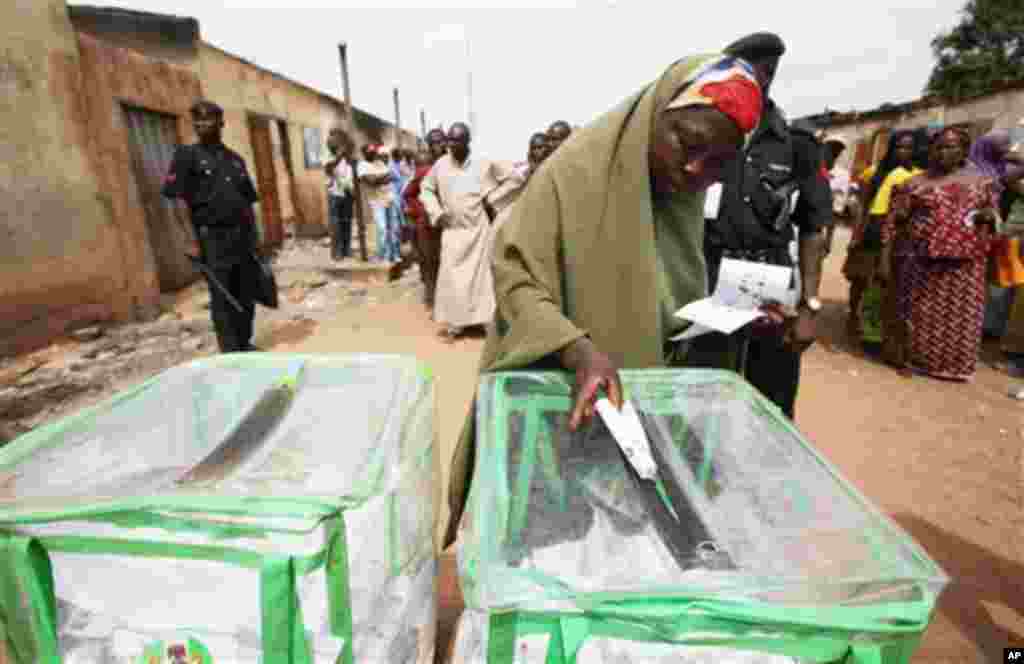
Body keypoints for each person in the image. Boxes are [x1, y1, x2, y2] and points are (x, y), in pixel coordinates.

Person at [443, 54, 764, 546]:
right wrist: (577, 348)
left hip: (637, 409)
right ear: (654, 114)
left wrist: (732, 323)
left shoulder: (679, 198)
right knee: (547, 543)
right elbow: (516, 275)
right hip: (557, 402)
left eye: (718, 164)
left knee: (631, 552)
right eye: (687, 143)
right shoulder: (573, 173)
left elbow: (668, 303)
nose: (696, 169)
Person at [684, 32, 831, 420]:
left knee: (771, 399)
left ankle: (761, 479)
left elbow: (814, 227)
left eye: (757, 72)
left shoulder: (798, 144)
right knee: (698, 392)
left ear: (768, 75)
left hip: (771, 285)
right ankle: (700, 475)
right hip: (708, 277)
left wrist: (810, 306)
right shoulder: (703, 133)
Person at [886, 126, 1000, 380]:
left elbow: (994, 217)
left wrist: (989, 217)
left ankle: (956, 367)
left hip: (966, 263)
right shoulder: (914, 183)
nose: (942, 153)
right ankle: (913, 360)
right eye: (938, 147)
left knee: (960, 316)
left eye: (950, 147)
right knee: (918, 311)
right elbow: (895, 220)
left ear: (963, 152)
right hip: (921, 259)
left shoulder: (982, 183)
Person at [162, 100, 261, 353]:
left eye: (207, 119)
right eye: (197, 120)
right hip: (212, 237)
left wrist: (255, 236)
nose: (201, 124)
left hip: (241, 236)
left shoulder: (235, 160)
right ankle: (230, 352)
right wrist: (190, 240)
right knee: (223, 297)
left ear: (221, 123)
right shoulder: (187, 156)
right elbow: (177, 200)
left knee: (245, 292)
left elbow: (248, 201)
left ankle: (244, 343)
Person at [419, 122, 522, 342]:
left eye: (457, 140)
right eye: (449, 140)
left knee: (481, 281)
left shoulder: (483, 162)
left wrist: (493, 199)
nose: (451, 145)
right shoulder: (440, 165)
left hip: (478, 232)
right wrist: (436, 212)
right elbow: (426, 190)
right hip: (453, 231)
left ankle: (486, 323)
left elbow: (514, 179)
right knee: (453, 280)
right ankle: (456, 325)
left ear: (467, 142)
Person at [843, 130, 923, 343]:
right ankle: (852, 315)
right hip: (871, 229)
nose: (903, 152)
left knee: (883, 282)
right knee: (860, 277)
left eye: (908, 148)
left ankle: (873, 328)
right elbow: (864, 203)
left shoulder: (917, 176)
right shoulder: (874, 172)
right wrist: (856, 234)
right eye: (899, 147)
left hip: (898, 234)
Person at [403, 143, 444, 309]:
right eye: (421, 164)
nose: (423, 168)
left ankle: (432, 297)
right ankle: (433, 297)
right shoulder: (427, 174)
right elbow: (408, 194)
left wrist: (417, 210)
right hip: (428, 224)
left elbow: (407, 195)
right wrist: (421, 210)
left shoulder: (426, 175)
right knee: (432, 261)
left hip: (430, 223)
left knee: (429, 261)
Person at [358, 144, 401, 263]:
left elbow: (392, 176)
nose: (373, 153)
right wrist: (382, 178)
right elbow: (371, 182)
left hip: (389, 198)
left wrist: (379, 178)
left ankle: (394, 254)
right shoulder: (362, 165)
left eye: (374, 151)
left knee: (394, 228)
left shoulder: (380, 163)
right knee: (382, 229)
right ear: (364, 153)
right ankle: (384, 256)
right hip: (376, 201)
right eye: (370, 151)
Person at [324, 129, 355, 261]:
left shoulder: (346, 159)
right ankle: (336, 253)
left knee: (346, 222)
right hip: (335, 194)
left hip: (347, 193)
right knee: (335, 224)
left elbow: (350, 173)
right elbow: (329, 168)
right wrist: (339, 156)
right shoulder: (328, 156)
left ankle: (346, 250)